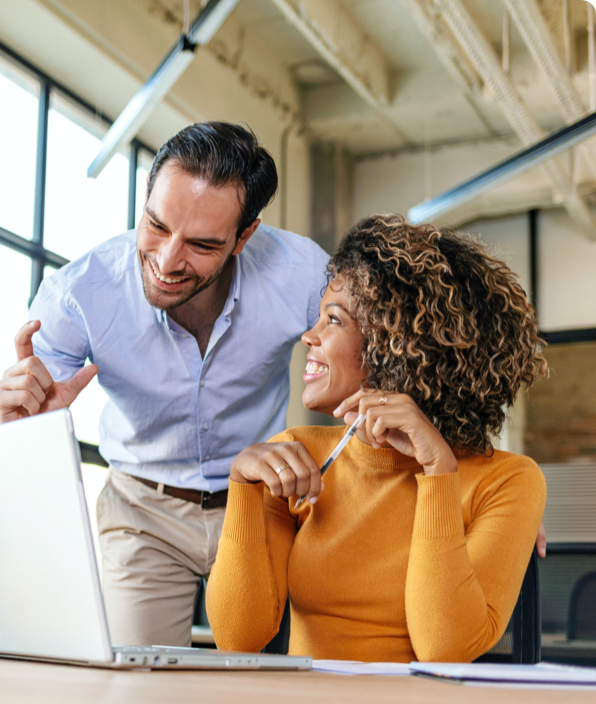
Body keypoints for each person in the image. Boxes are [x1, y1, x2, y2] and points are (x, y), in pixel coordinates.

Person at [0, 122, 330, 647]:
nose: (168, 261)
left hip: (261, 505)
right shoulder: (79, 293)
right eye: (155, 225)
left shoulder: (302, 273)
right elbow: (19, 454)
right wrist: (23, 422)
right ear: (146, 196)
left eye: (201, 244)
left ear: (244, 237)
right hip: (141, 512)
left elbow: (364, 363)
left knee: (268, 688)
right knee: (136, 691)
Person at [206, 214, 548, 663]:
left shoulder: (508, 480)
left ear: (399, 347)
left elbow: (445, 648)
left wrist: (438, 473)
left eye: (334, 320)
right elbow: (238, 638)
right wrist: (243, 488)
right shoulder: (298, 456)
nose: (309, 335)